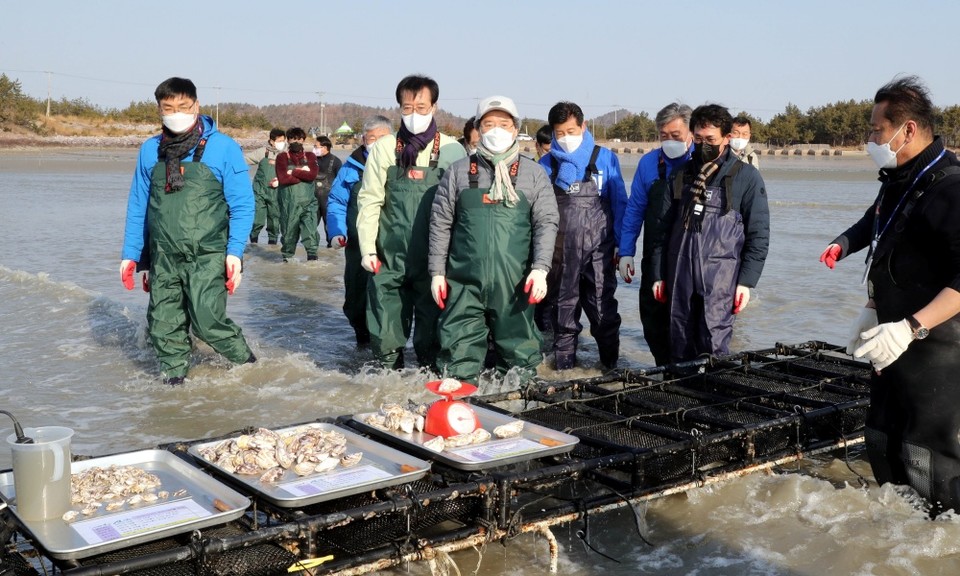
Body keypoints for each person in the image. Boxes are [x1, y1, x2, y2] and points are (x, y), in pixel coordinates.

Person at [819, 76, 960, 516]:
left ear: (908, 130)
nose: (870, 138)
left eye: (877, 130)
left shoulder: (950, 189)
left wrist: (913, 327)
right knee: (883, 438)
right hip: (891, 335)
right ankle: (890, 542)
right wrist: (871, 306)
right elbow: (881, 230)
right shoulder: (900, 178)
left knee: (931, 457)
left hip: (936, 346)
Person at [119, 77, 255, 386]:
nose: (175, 113)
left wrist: (234, 253)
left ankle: (251, 368)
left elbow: (243, 205)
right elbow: (139, 204)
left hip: (208, 253)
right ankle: (174, 385)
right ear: (159, 110)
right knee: (163, 325)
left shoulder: (223, 147)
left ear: (196, 105)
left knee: (207, 321)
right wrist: (132, 255)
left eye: (183, 106)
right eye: (168, 108)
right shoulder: (150, 150)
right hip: (164, 255)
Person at [429, 96, 559, 384]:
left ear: (515, 129)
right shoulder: (458, 172)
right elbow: (440, 223)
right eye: (489, 124)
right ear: (478, 128)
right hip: (464, 284)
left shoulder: (534, 174)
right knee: (456, 363)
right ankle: (458, 420)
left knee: (519, 365)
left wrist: (540, 269)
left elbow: (546, 223)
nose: (496, 130)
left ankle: (516, 418)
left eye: (504, 123)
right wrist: (437, 273)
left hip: (515, 285)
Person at [356, 74, 466, 370]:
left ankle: (427, 386)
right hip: (389, 256)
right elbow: (369, 200)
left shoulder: (454, 151)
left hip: (435, 260)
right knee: (385, 333)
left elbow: (461, 211)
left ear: (434, 107)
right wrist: (368, 249)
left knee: (432, 337)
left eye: (421, 107)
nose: (414, 114)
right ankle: (387, 385)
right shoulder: (384, 148)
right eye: (407, 108)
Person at [652, 104, 769, 363]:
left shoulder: (747, 178)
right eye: (698, 139)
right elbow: (661, 230)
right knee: (678, 342)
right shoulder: (680, 176)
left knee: (714, 345)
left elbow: (758, 234)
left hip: (721, 279)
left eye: (711, 140)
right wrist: (658, 274)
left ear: (727, 138)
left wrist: (746, 282)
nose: (703, 145)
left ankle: (713, 398)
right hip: (679, 275)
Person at [539, 101, 627, 370]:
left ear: (583, 126)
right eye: (559, 133)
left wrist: (622, 248)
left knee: (603, 314)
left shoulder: (606, 158)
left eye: (570, 131)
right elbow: (538, 214)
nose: (565, 138)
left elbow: (620, 203)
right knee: (563, 316)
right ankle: (564, 374)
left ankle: (611, 370)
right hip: (560, 253)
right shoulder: (546, 164)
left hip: (600, 251)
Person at [617, 103, 694, 366]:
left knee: (688, 323)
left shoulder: (704, 161)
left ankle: (689, 375)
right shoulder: (649, 163)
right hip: (655, 257)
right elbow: (634, 210)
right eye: (664, 136)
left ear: (690, 133)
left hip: (691, 258)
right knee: (653, 322)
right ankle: (664, 368)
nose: (670, 141)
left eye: (676, 135)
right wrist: (625, 252)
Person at [326, 115, 393, 346]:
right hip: (356, 245)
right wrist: (336, 231)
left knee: (387, 299)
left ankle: (388, 351)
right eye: (371, 138)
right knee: (355, 299)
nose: (376, 142)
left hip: (390, 246)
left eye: (383, 138)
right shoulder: (350, 168)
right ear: (363, 140)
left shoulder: (400, 166)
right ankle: (362, 343)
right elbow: (336, 201)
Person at [276, 127, 319, 262]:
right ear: (288, 140)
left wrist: (293, 172)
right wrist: (303, 172)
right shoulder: (282, 157)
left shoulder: (310, 156)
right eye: (293, 139)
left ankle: (312, 262)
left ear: (303, 140)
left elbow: (312, 175)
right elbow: (283, 179)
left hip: (308, 202)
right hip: (289, 204)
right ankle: (287, 266)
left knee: (311, 232)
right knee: (289, 235)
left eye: (299, 139)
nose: (296, 142)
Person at [249, 127, 284, 245]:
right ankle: (253, 243)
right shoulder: (262, 152)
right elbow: (244, 159)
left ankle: (272, 245)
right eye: (279, 140)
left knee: (274, 220)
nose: (281, 143)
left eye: (283, 140)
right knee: (257, 219)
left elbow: (292, 171)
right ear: (271, 141)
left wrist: (281, 180)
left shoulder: (286, 155)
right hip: (259, 192)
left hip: (276, 193)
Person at [313, 135, 342, 245]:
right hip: (313, 199)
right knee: (311, 226)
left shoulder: (336, 162)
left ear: (325, 147)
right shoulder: (312, 160)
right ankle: (312, 250)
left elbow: (340, 182)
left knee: (329, 227)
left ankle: (331, 252)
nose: (314, 148)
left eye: (316, 146)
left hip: (328, 200)